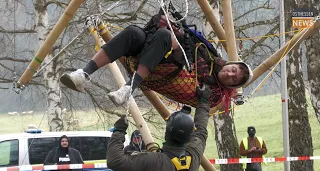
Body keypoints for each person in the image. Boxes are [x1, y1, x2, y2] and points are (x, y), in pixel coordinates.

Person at [60, 8, 253, 108]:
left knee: (163, 36)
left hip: (174, 71)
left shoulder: (215, 94)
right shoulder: (211, 55)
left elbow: (194, 83)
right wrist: (174, 28)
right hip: (156, 57)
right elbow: (189, 41)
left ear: (231, 86)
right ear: (231, 64)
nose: (230, 74)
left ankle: (129, 88)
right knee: (133, 33)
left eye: (235, 79)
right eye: (234, 69)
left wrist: (173, 38)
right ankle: (84, 73)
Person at [106, 84, 212, 171]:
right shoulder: (194, 153)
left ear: (166, 133)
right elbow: (201, 130)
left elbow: (115, 162)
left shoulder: (153, 161)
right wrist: (204, 101)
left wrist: (119, 131)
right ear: (190, 136)